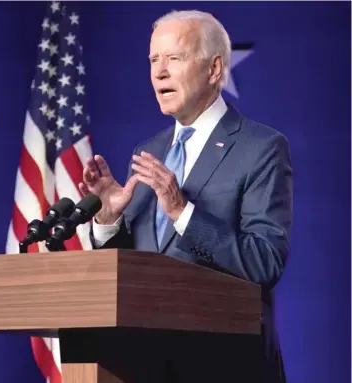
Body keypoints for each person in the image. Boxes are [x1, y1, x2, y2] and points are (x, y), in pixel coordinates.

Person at [79, 10, 292, 383]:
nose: (159, 72)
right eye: (153, 60)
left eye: (173, 59)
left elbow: (265, 261)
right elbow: (134, 273)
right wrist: (110, 220)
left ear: (213, 70)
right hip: (144, 364)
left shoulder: (261, 148)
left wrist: (182, 210)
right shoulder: (150, 151)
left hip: (225, 364)